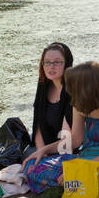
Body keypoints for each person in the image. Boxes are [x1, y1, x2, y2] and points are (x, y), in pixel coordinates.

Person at [25, 62, 99, 196]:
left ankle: (81, 185)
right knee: (32, 165)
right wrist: (44, 149)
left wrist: (79, 167)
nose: (70, 92)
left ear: (86, 88)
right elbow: (75, 140)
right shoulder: (80, 103)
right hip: (87, 158)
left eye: (73, 88)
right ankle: (91, 187)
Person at [23, 43, 74, 175]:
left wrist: (45, 151)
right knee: (28, 158)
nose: (51, 67)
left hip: (70, 147)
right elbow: (38, 124)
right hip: (47, 145)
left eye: (57, 62)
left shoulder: (72, 89)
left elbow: (68, 139)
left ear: (67, 64)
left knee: (34, 168)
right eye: (47, 62)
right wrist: (41, 152)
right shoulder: (43, 85)